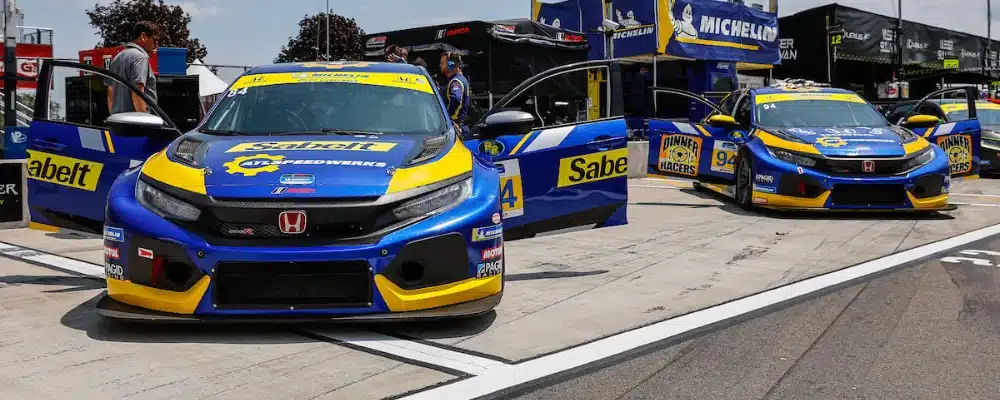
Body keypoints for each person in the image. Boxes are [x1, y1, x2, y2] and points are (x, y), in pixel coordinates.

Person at [106, 21, 159, 114]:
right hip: (136, 124)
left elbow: (110, 92)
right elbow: (138, 90)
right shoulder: (140, 57)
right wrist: (143, 120)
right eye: (155, 40)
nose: (155, 46)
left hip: (118, 122)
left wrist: (114, 117)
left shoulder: (117, 58)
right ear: (143, 37)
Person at [439, 52, 471, 134]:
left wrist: (449, 118)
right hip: (460, 126)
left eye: (442, 63)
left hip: (456, 127)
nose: (440, 66)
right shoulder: (460, 79)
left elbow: (456, 99)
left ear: (450, 65)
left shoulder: (456, 81)